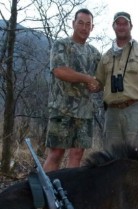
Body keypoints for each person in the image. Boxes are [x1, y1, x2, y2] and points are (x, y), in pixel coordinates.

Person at [43, 8, 101, 172]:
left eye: (88, 24)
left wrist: (96, 86)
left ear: (92, 27)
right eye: (80, 23)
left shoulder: (95, 53)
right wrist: (87, 79)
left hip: (85, 113)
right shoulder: (61, 45)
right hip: (62, 110)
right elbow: (59, 71)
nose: (84, 27)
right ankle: (45, 193)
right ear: (73, 23)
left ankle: (67, 192)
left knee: (77, 154)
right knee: (56, 152)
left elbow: (100, 81)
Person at [95, 11, 138, 151]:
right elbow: (98, 83)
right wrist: (80, 80)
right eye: (118, 23)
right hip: (111, 112)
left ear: (131, 26)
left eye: (125, 23)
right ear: (113, 27)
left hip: (135, 110)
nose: (121, 26)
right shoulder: (106, 56)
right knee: (111, 157)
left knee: (137, 156)